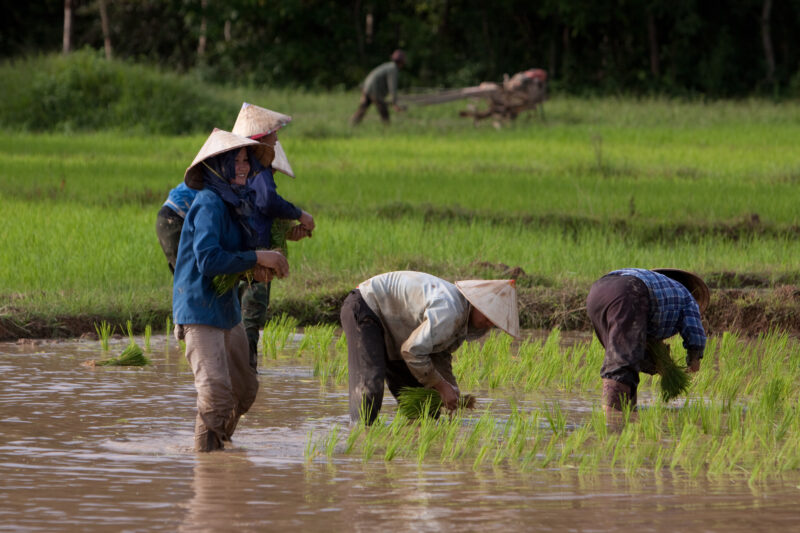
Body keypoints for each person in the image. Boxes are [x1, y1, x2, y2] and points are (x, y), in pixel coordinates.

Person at [173, 128, 290, 452]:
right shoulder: (209, 203)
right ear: (219, 166)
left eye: (245, 160)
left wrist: (255, 271)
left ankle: (220, 451)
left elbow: (232, 261)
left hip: (226, 311)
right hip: (198, 311)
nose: (243, 167)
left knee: (244, 389)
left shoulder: (235, 203)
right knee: (217, 396)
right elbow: (209, 260)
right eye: (236, 160)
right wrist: (257, 257)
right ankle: (208, 470)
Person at [340, 271, 519, 425]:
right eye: (487, 316)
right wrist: (441, 387)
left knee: (424, 411)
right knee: (371, 381)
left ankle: (413, 451)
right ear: (477, 303)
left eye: (493, 322)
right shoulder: (450, 311)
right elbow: (412, 351)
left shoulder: (461, 321)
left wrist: (450, 389)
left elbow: (440, 354)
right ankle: (359, 438)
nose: (487, 324)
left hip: (397, 332)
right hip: (366, 307)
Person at [231, 102, 315, 368]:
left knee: (235, 318)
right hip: (255, 258)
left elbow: (261, 215)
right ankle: (247, 373)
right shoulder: (258, 170)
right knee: (250, 320)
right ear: (261, 139)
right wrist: (299, 214)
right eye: (274, 134)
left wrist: (290, 232)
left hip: (243, 254)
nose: (277, 139)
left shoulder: (242, 172)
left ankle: (239, 371)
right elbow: (267, 203)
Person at [585, 268, 710, 416]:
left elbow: (638, 349)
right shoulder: (688, 298)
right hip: (630, 292)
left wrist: (659, 364)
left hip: (597, 292)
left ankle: (628, 412)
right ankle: (613, 421)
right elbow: (695, 331)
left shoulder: (659, 291)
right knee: (622, 364)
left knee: (624, 358)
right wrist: (694, 358)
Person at [350, 49, 407, 125]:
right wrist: (394, 102)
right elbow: (392, 86)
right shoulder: (393, 69)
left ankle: (352, 125)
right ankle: (387, 130)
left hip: (367, 87)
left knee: (362, 108)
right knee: (383, 110)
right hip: (374, 89)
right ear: (401, 62)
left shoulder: (388, 66)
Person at [155, 181, 197, 273]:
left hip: (166, 218)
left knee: (186, 273)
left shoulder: (201, 175)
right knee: (188, 274)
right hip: (173, 220)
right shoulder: (215, 182)